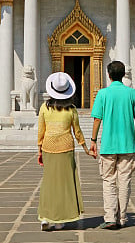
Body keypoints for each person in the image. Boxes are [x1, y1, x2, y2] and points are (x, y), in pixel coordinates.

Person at [37, 71, 95, 231]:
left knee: (48, 182)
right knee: (64, 184)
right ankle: (60, 219)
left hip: (48, 147)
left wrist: (39, 151)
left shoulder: (44, 108)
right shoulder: (71, 109)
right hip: (66, 148)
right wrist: (86, 149)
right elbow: (77, 132)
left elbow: (40, 131)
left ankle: (45, 218)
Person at [89, 60, 135, 229]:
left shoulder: (103, 94)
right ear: (123, 74)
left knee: (109, 181)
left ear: (109, 75)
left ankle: (110, 217)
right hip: (127, 143)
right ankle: (122, 217)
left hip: (108, 145)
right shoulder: (132, 93)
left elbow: (97, 118)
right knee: (125, 181)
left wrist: (93, 140)